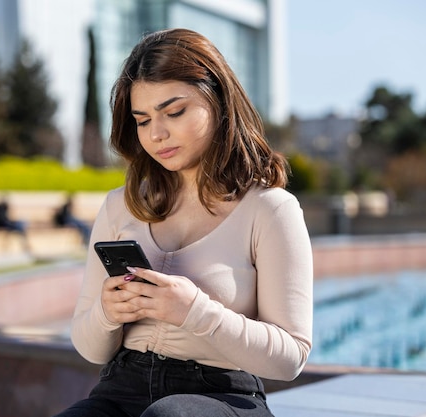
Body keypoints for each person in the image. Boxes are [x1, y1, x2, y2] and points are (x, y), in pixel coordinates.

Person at [55, 28, 313, 417]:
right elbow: (90, 348)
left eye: (174, 112)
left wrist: (193, 310)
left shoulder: (271, 210)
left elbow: (290, 357)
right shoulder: (119, 206)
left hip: (222, 396)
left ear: (219, 101)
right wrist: (108, 313)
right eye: (142, 120)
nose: (157, 134)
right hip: (121, 386)